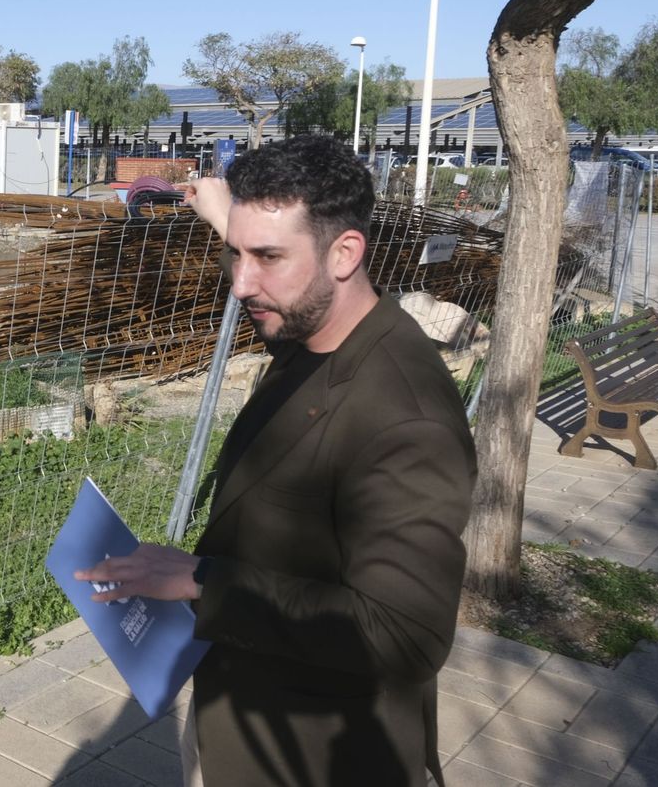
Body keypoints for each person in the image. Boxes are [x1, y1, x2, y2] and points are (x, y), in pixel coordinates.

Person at [77, 134, 475, 786]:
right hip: (236, 721)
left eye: (266, 257)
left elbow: (406, 634)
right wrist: (228, 215)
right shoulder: (315, 323)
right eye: (235, 252)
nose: (240, 284)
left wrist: (200, 579)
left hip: (311, 756)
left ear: (345, 253)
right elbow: (275, 253)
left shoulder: (407, 418)